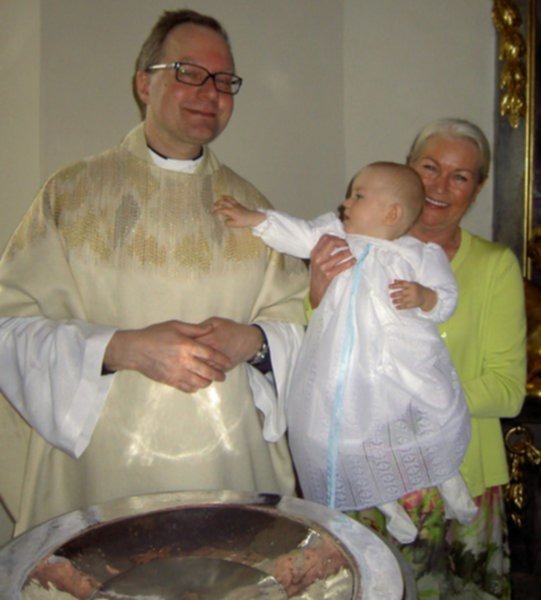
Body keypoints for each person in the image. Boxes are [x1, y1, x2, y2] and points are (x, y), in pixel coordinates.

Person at [0, 9, 308, 536]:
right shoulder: (71, 196)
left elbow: (301, 329)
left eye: (224, 80)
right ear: (144, 84)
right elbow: (9, 328)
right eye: (189, 72)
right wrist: (121, 348)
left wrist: (254, 342)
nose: (210, 92)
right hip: (105, 470)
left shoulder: (253, 210)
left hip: (227, 465)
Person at [309, 120, 527, 598]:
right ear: (406, 170)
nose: (439, 186)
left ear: (478, 188)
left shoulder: (494, 266)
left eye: (460, 176)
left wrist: (407, 405)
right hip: (370, 476)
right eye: (429, 167)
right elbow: (314, 360)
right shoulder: (347, 250)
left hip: (465, 477)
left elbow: (508, 391)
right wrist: (317, 294)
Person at [214, 161, 477, 543]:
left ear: (391, 214)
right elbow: (298, 232)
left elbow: (447, 299)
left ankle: (452, 484)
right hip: (346, 366)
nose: (345, 203)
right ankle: (388, 507)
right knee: (352, 438)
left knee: (425, 420)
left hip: (398, 364)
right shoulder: (335, 237)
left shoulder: (420, 255)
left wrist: (424, 296)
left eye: (358, 196)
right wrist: (254, 218)